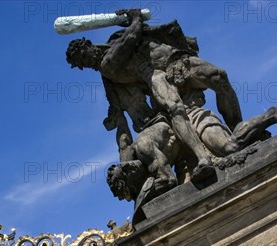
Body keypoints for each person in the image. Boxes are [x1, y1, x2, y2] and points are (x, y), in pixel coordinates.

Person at [66, 9, 243, 181]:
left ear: (89, 46)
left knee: (219, 76)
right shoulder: (107, 64)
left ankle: (237, 128)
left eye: (85, 54)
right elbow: (131, 38)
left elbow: (133, 37)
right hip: (154, 75)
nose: (88, 60)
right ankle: (203, 157)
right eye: (83, 61)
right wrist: (135, 18)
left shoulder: (112, 42)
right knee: (176, 109)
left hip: (175, 59)